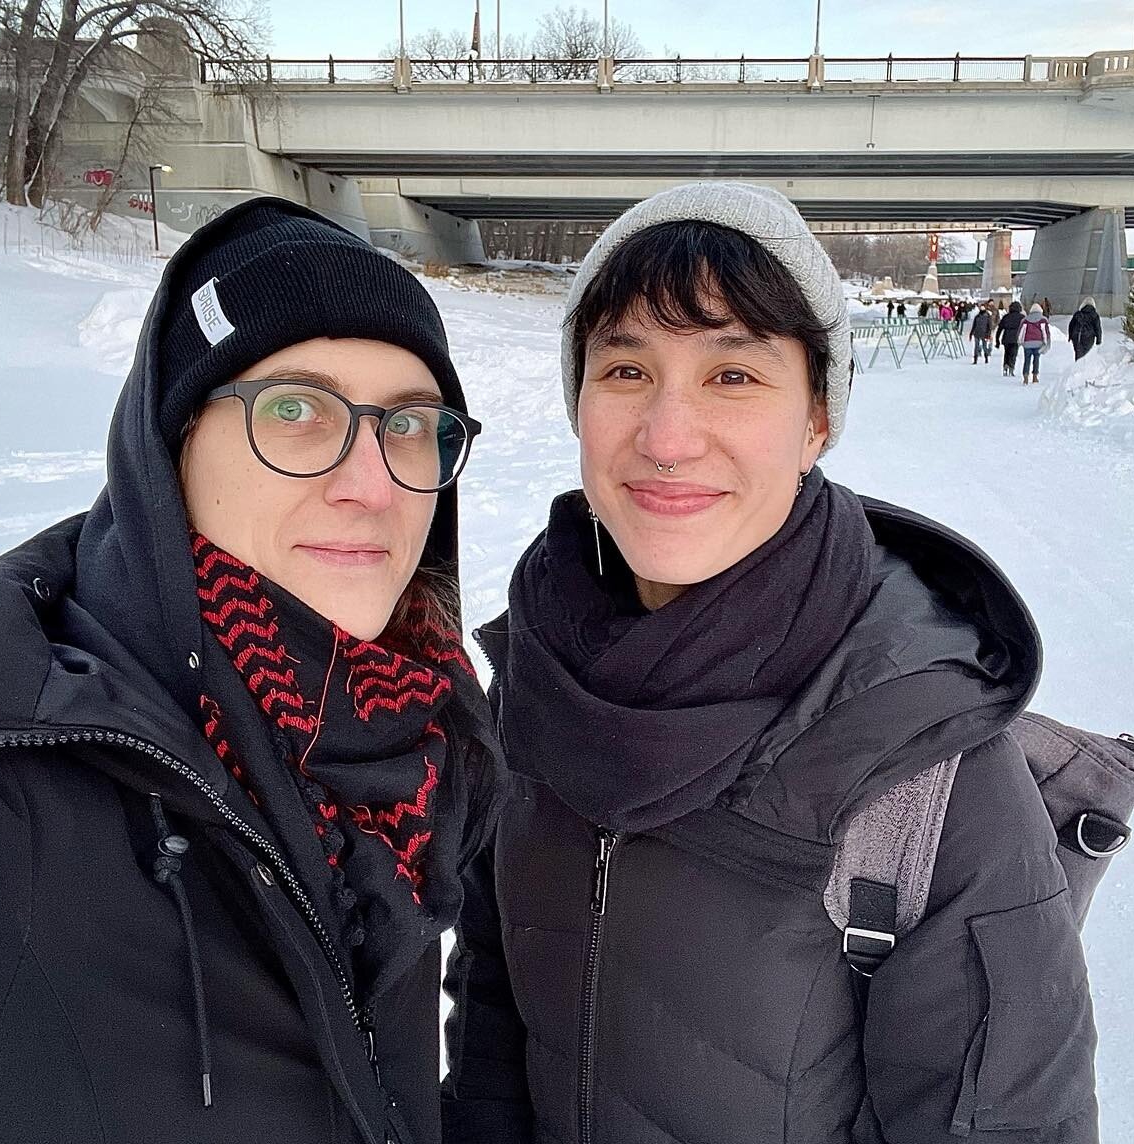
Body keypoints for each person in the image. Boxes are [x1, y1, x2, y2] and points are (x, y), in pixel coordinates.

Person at [0, 199, 503, 1143]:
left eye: (409, 425)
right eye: (295, 409)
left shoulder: (419, 745)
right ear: (168, 452)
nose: (371, 483)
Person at [441, 183, 1097, 1144]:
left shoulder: (923, 767)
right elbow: (495, 1018)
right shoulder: (534, 681)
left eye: (733, 377)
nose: (667, 438)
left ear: (817, 422)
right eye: (625, 370)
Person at [1019, 302, 1052, 384]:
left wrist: (1020, 342)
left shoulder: (1025, 320)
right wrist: (1045, 342)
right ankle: (1035, 377)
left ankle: (1025, 376)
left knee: (1027, 360)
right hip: (1038, 343)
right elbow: (1045, 332)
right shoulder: (1043, 320)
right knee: (1036, 360)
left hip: (1027, 343)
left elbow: (1021, 332)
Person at [995, 298, 1024, 376]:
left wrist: (997, 340)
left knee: (1006, 353)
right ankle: (1011, 367)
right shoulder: (1022, 317)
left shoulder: (1006, 317)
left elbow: (1000, 328)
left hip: (1006, 337)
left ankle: (1005, 365)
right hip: (1016, 338)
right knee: (1013, 354)